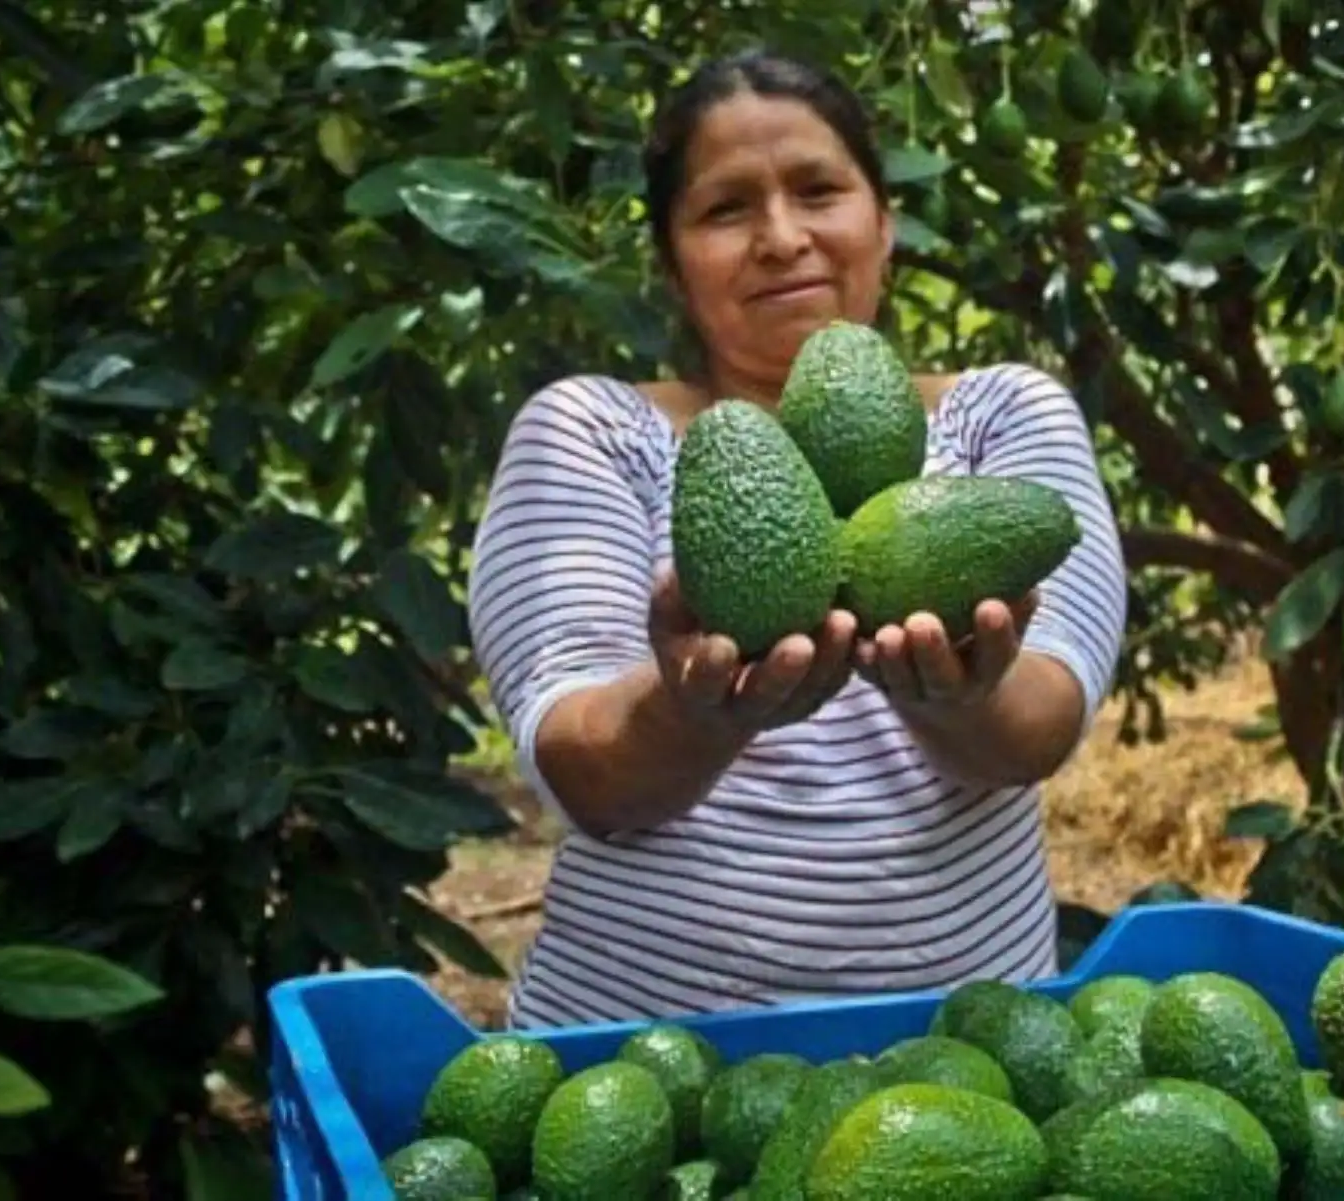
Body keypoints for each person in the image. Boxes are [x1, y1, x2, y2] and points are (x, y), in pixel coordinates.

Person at [466, 48, 1129, 1029]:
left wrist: (962, 696)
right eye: (726, 209)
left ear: (884, 221)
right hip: (640, 1062)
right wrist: (697, 713)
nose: (782, 239)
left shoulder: (1004, 417)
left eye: (819, 190)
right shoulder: (590, 431)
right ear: (670, 259)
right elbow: (583, 769)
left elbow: (1040, 726)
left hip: (967, 1059)